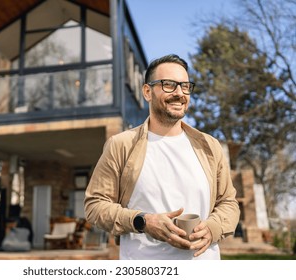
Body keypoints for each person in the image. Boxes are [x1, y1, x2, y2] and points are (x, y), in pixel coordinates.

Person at [84, 54, 240, 260]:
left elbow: (228, 202)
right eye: (169, 85)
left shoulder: (209, 146)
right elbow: (95, 206)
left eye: (185, 86)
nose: (179, 93)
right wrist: (143, 221)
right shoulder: (121, 145)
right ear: (147, 92)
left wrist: (213, 228)